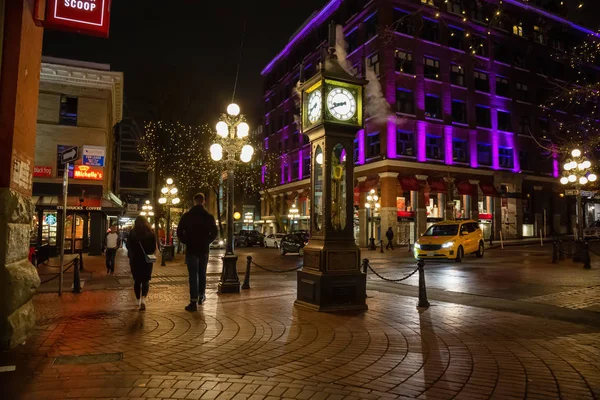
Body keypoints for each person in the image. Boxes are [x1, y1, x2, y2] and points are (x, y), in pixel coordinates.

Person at [177, 193, 218, 312]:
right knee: (202, 273)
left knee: (193, 275)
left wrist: (187, 241)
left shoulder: (187, 216)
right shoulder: (208, 216)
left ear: (194, 201)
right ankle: (201, 295)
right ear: (204, 201)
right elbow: (214, 233)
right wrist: (207, 241)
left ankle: (193, 301)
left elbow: (179, 232)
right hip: (204, 249)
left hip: (191, 249)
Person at [127, 216, 157, 311]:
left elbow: (128, 246)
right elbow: (154, 248)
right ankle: (143, 299)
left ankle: (138, 300)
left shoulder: (133, 233)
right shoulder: (151, 233)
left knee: (137, 281)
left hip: (135, 260)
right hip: (147, 260)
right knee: (145, 280)